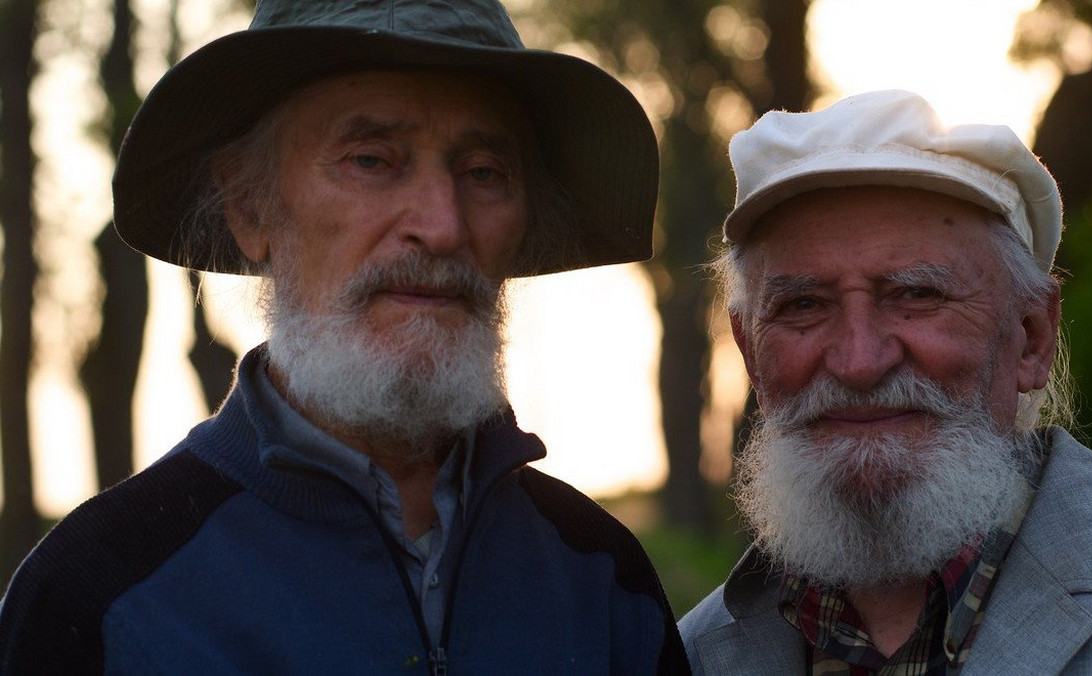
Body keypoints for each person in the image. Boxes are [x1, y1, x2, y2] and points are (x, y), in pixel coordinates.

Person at [0, 1, 688, 673]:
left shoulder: (601, 584)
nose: (443, 226)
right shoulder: (102, 597)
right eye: (371, 160)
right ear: (249, 207)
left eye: (484, 172)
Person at [678, 89, 1092, 673]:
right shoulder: (685, 655)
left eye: (917, 295)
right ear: (750, 350)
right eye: (803, 305)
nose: (859, 362)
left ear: (1031, 337)